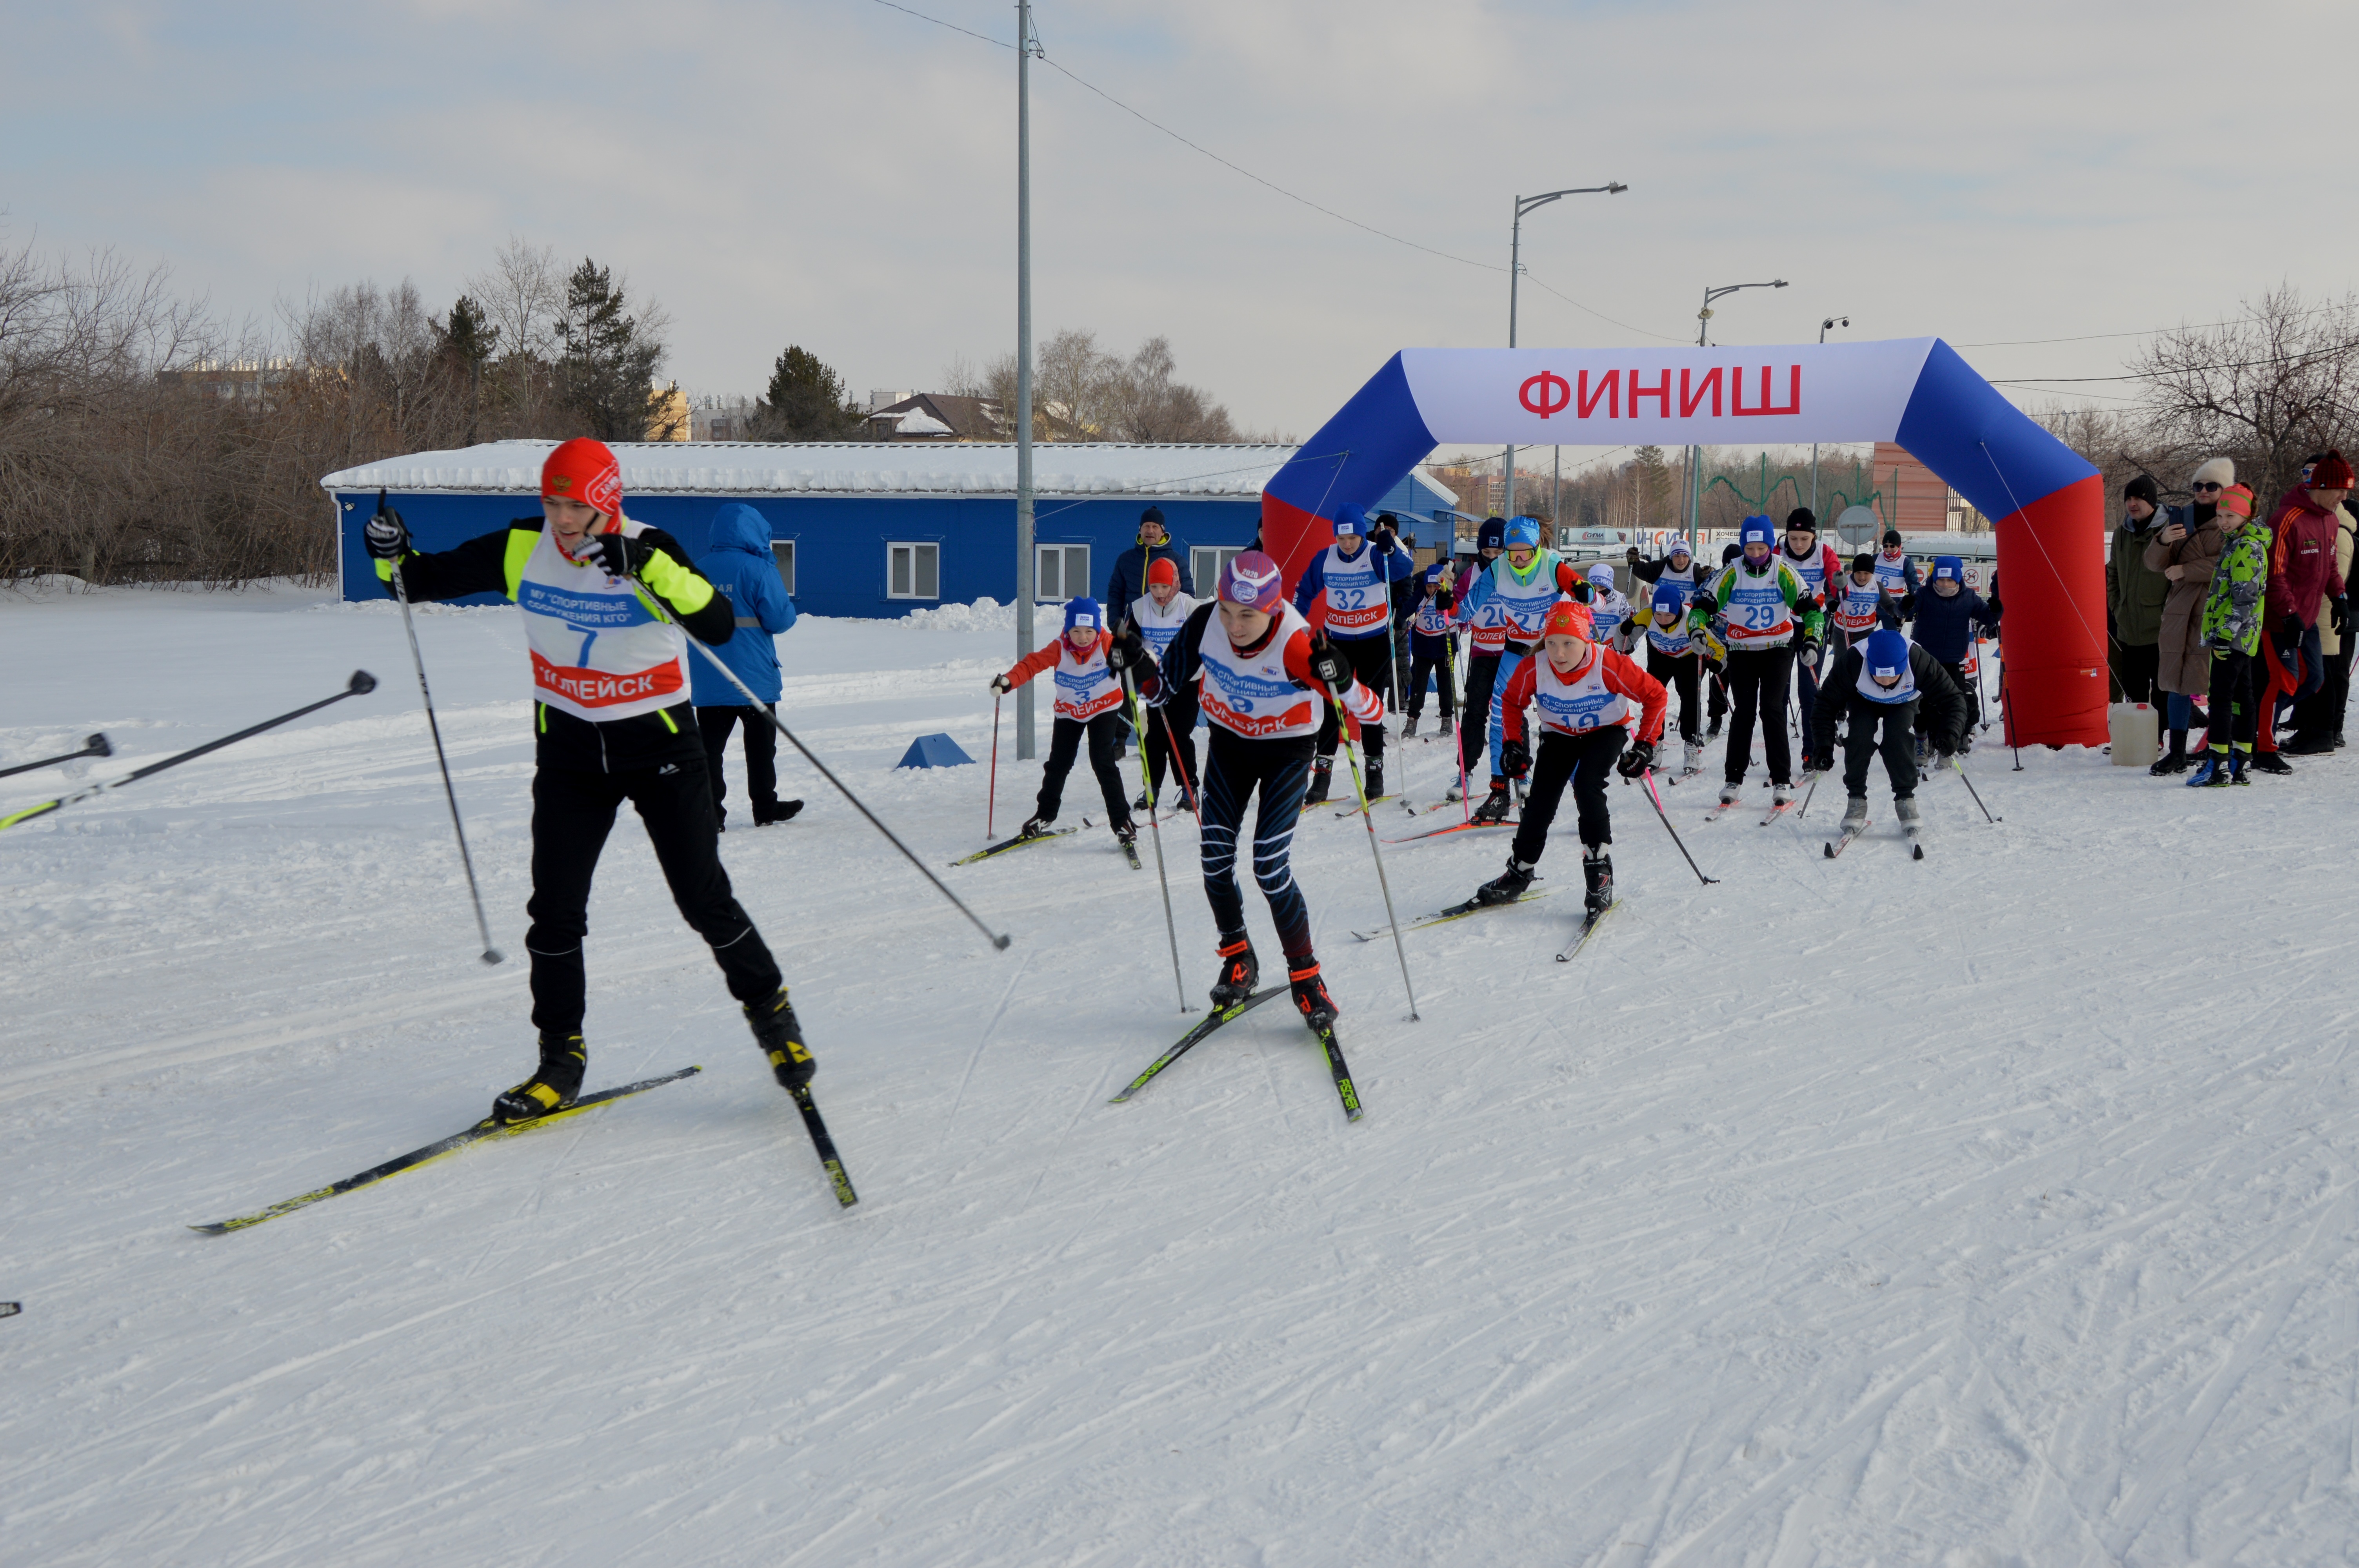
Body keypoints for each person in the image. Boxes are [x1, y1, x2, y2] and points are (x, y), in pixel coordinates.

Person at [361, 437, 813, 1124]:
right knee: (554, 911)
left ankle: (774, 1022)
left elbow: (717, 625)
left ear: (605, 499)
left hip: (660, 747)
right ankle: (559, 1061)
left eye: (576, 504)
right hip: (571, 751)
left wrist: (651, 568)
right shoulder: (522, 547)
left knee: (704, 900)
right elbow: (413, 581)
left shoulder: (648, 545)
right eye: (552, 502)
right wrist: (386, 548)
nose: (563, 518)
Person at [1132, 551, 1384, 1029]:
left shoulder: (1296, 643)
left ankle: (1307, 978)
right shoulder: (1207, 622)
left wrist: (1345, 677)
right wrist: (1140, 667)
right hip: (1229, 745)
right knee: (1213, 859)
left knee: (1269, 867)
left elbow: (1371, 712)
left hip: (1286, 751)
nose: (1234, 624)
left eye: (1247, 614)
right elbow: (1163, 691)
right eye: (1228, 609)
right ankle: (1238, 956)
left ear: (1272, 608)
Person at [1474, 600, 1667, 918]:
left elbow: (1656, 695)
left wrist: (1645, 746)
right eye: (1551, 643)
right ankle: (1520, 871)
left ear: (1586, 639)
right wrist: (1513, 743)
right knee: (1541, 799)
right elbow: (1510, 702)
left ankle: (1599, 874)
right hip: (1559, 735)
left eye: (1568, 644)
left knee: (1588, 786)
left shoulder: (1607, 663)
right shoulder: (1535, 666)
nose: (1559, 654)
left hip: (1605, 731)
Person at [1687, 515, 1823, 807]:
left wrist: (1812, 639)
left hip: (1778, 648)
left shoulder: (1783, 571)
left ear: (1771, 546)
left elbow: (1811, 610)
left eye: (1763, 549)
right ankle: (1733, 778)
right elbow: (1701, 607)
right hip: (1742, 650)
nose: (1757, 555)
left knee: (1772, 710)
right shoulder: (1731, 572)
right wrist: (1697, 630)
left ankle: (1782, 780)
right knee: (1744, 712)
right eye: (1751, 549)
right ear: (1743, 547)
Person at [1456, 516, 1583, 823]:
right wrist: (1452, 611)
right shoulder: (1499, 569)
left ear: (1537, 547)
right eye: (1512, 554)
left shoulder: (1551, 564)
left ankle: (1583, 795)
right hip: (1515, 652)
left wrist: (1588, 594)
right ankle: (1500, 791)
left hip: (1551, 653)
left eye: (1525, 553)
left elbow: (1577, 586)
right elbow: (1469, 604)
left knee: (1562, 721)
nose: (1519, 560)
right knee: (1500, 717)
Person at [689, 501, 803, 831]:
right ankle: (766, 808)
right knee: (760, 749)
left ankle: (711, 814)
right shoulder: (759, 570)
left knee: (710, 751)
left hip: (710, 676)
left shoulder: (697, 570)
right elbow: (780, 621)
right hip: (754, 678)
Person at [990, 597, 1137, 848]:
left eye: (1089, 631)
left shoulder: (1108, 644)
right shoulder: (1059, 648)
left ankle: (1122, 822)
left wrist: (1139, 656)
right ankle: (1044, 816)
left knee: (1103, 762)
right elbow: (1031, 665)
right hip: (1070, 712)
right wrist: (1009, 682)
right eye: (1076, 631)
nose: (1082, 638)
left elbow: (1138, 662)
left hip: (1104, 708)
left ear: (1097, 630)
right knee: (1059, 764)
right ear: (1068, 630)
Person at [1290, 504, 1413, 802]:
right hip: (1338, 642)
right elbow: (1304, 593)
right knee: (1333, 708)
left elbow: (1403, 571)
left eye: (1353, 539)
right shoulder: (1325, 558)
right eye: (1341, 539)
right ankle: (1322, 778)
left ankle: (1375, 772)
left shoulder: (1376, 553)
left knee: (1370, 707)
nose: (1347, 545)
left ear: (1362, 536)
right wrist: (1293, 629)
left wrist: (1391, 551)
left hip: (1374, 641)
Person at [1807, 626, 1968, 839]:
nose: (1886, 683)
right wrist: (1823, 745)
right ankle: (1856, 799)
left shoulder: (1918, 660)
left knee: (1898, 738)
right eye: (1879, 676)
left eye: (1893, 676)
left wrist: (1950, 734)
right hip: (1863, 700)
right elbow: (1825, 704)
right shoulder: (1854, 660)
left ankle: (1905, 800)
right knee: (1859, 738)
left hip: (1904, 701)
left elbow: (1954, 699)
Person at [2253, 450, 2353, 772]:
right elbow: (2274, 573)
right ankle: (2263, 747)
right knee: (2283, 682)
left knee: (2313, 680)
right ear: (2321, 486)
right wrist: (2288, 614)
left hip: (2307, 618)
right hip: (2281, 620)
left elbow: (2330, 566)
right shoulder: (2287, 519)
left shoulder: (2332, 519)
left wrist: (2340, 598)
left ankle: (2258, 723)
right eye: (2340, 490)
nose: (2343, 497)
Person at [2144, 460, 2229, 774]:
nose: (2203, 492)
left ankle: (2220, 747)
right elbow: (2153, 565)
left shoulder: (2232, 521)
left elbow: (2227, 563)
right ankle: (2177, 751)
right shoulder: (2182, 518)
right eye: (2198, 486)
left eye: (2211, 486)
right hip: (2179, 610)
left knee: (2216, 684)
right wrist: (2163, 541)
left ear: (2224, 490)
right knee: (2175, 682)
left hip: (2211, 609)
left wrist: (2186, 570)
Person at [2189, 483, 2271, 786]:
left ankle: (2219, 764)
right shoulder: (2237, 542)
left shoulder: (2246, 547)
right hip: (2242, 636)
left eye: (2231, 516)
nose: (2224, 522)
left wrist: (2225, 633)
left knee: (2222, 698)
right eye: (2221, 515)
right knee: (2241, 697)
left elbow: (2246, 598)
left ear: (2246, 516)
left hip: (2233, 636)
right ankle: (2241, 760)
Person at [2284, 454, 2359, 753]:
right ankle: (2312, 727)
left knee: (2329, 672)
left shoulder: (2337, 527)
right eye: (2306, 472)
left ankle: (2326, 731)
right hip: (2318, 609)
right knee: (2318, 671)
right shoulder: (2314, 519)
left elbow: (2331, 572)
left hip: (2328, 613)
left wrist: (2337, 600)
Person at [1906, 556, 2001, 759]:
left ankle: (1947, 744)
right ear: (1934, 579)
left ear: (1958, 580)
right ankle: (1922, 739)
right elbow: (1904, 612)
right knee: (1921, 702)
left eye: (1950, 580)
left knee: (1951, 704)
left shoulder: (1968, 597)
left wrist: (1995, 611)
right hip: (1924, 658)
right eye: (1941, 580)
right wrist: (1906, 605)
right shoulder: (1924, 594)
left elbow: (1988, 617)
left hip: (1953, 659)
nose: (1945, 584)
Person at [1127, 557, 1200, 807]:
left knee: (1180, 735)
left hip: (1186, 681)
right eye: (1154, 587)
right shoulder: (1139, 608)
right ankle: (1152, 788)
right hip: (1155, 681)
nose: (1159, 593)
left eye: (1165, 587)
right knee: (1155, 736)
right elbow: (1132, 644)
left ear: (1175, 585)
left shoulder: (1189, 608)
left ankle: (1189, 788)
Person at [1777, 508, 1843, 769]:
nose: (1799, 544)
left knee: (1809, 692)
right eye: (1794, 539)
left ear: (1813, 537)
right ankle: (1779, 755)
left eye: (1804, 539)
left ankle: (1812, 751)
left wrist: (1839, 587)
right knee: (1778, 694)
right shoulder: (1777, 552)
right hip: (1782, 625)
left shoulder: (1824, 552)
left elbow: (1836, 577)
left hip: (1813, 624)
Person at [2107, 475, 2171, 706]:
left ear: (2152, 501)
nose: (2132, 504)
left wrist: (2165, 612)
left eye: (2138, 499)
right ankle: (2138, 740)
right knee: (2134, 695)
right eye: (2129, 499)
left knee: (2163, 692)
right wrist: (2117, 606)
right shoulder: (2121, 534)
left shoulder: (2170, 531)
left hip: (2160, 631)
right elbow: (2112, 574)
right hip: (2128, 630)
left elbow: (2177, 580)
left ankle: (2159, 739)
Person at [1634, 579, 1707, 773]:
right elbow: (1631, 627)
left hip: (1688, 657)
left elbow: (1710, 639)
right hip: (1661, 656)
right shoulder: (1648, 614)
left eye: (1668, 614)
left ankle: (1692, 744)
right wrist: (1625, 639)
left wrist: (1715, 657)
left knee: (1690, 696)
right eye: (1658, 614)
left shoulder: (1690, 617)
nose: (1663, 619)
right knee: (1653, 697)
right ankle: (1654, 743)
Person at [1103, 505, 1192, 616]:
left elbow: (1187, 597)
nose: (1150, 531)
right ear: (1140, 530)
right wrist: (1116, 624)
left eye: (1155, 527)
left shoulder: (1177, 561)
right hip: (1132, 626)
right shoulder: (1125, 560)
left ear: (1163, 532)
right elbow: (1115, 594)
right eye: (1146, 526)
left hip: (1166, 628)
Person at [1403, 561, 1458, 739]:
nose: (1433, 589)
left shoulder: (1448, 595)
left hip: (1445, 645)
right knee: (1419, 684)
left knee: (1445, 685)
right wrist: (1398, 619)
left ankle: (1447, 717)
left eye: (1437, 585)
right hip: (1423, 646)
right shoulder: (1421, 595)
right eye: (1430, 585)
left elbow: (1460, 609)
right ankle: (1412, 719)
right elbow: (1409, 607)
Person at [1583, 561, 1636, 652]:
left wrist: (1631, 645)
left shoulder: (1620, 601)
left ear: (1609, 586)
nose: (1598, 592)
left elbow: (1636, 625)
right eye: (1594, 588)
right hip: (1590, 650)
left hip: (1613, 651)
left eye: (1602, 587)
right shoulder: (1584, 599)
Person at [1871, 529, 1923, 617]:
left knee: (1891, 630)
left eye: (1892, 546)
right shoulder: (1875, 558)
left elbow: (1914, 583)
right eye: (1886, 546)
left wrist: (1913, 595)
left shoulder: (1905, 562)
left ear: (1899, 546)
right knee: (1868, 629)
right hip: (1874, 601)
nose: (1888, 549)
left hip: (1894, 604)